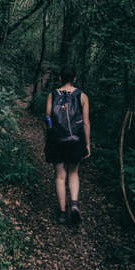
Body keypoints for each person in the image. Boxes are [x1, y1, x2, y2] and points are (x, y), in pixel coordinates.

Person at [45, 66, 91, 224]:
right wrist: (87, 144)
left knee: (60, 176)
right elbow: (85, 122)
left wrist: (50, 137)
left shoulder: (52, 95)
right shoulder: (82, 96)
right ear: (75, 78)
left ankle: (62, 213)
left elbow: (48, 119)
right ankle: (75, 205)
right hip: (76, 140)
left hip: (57, 140)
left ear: (60, 78)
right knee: (73, 173)